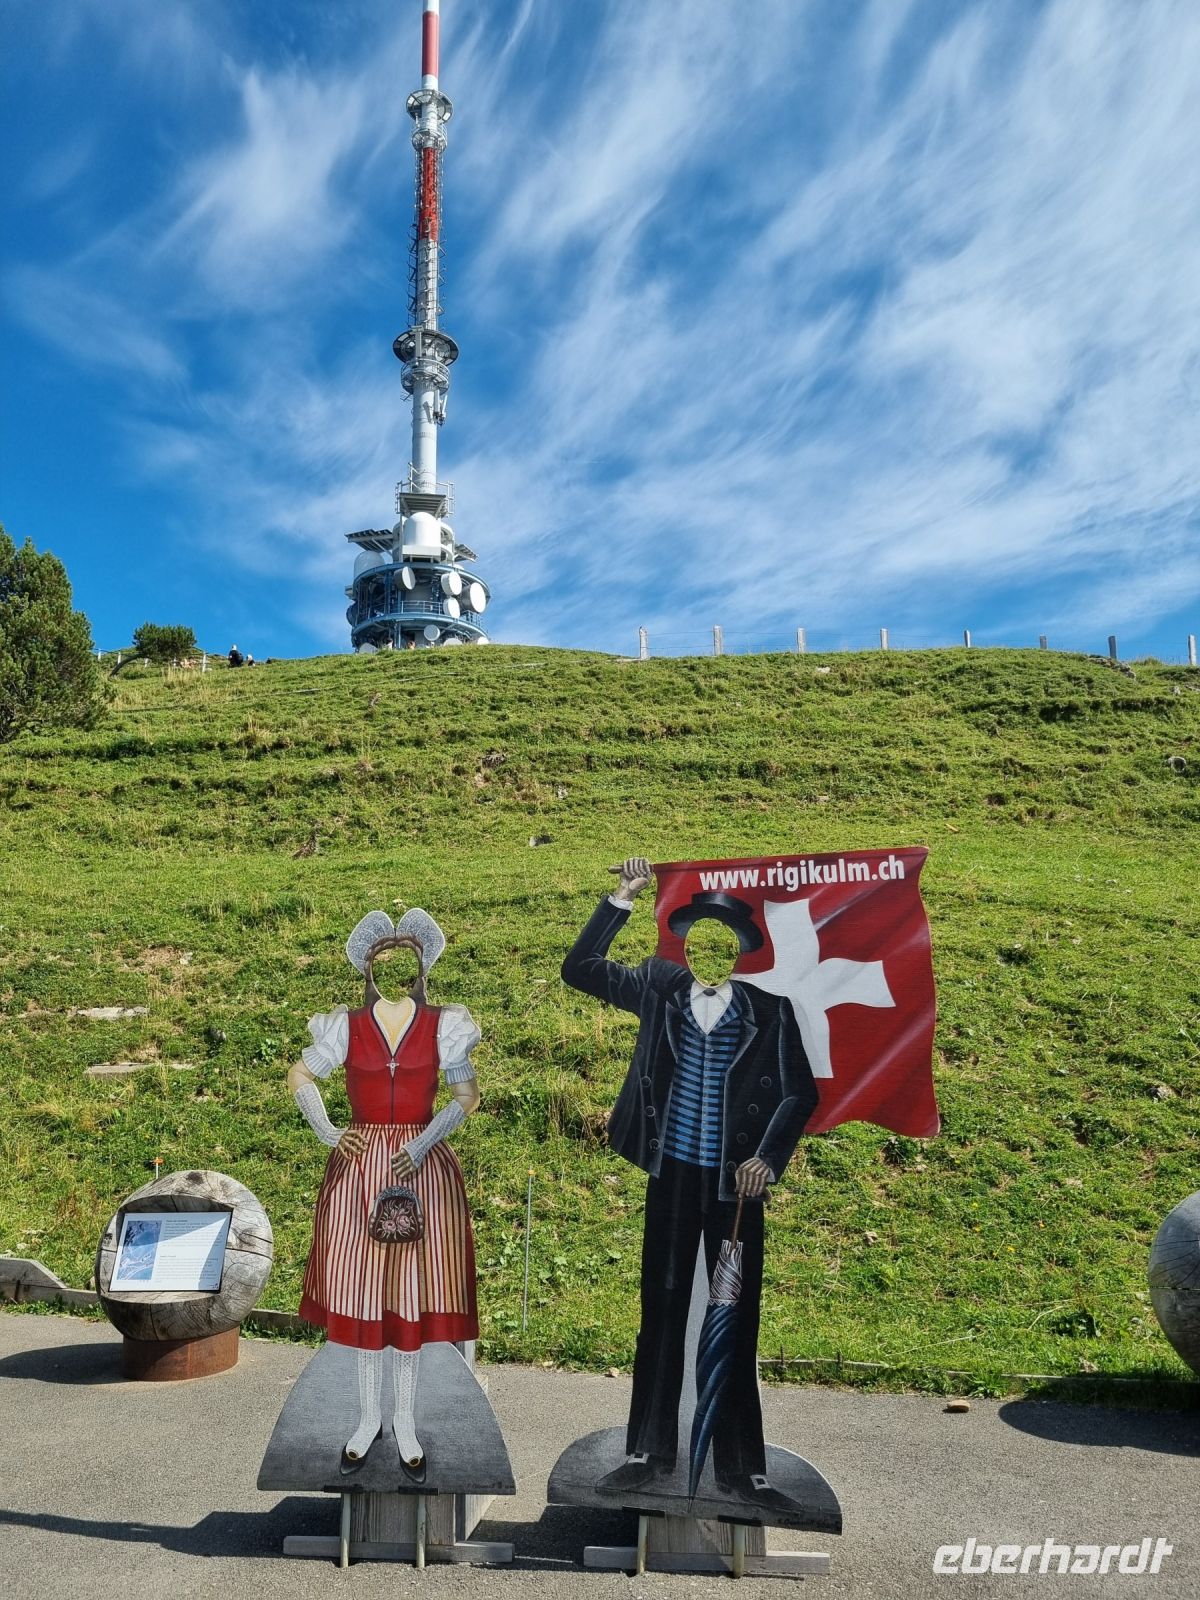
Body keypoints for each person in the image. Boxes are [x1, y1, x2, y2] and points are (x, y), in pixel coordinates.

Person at [561, 857, 819, 1517]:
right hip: (673, 1177)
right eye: (698, 939)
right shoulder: (658, 987)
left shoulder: (772, 1011)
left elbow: (800, 1093)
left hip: (737, 1195)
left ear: (739, 952)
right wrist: (620, 898)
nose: (709, 951)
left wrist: (768, 1157)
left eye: (721, 941)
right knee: (664, 1311)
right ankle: (649, 1452)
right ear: (686, 946)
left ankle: (742, 1470)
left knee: (733, 1318)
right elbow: (580, 969)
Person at [287, 908, 481, 1480]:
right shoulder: (345, 1027)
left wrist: (424, 1142)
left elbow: (466, 1095)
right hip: (361, 1166)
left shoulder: (445, 1023)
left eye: (408, 966)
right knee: (368, 1290)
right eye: (383, 964)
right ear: (368, 968)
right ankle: (369, 1418)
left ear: (423, 969)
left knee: (411, 1294)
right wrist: (326, 1130)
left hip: (421, 1168)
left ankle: (406, 1422)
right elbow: (301, 1076)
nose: (396, 976)